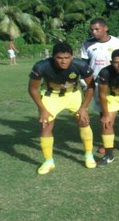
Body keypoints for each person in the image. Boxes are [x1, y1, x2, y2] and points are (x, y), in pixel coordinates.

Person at [28, 42, 97, 174]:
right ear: (53, 57)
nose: (63, 61)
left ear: (72, 56)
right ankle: (48, 161)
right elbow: (32, 89)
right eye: (59, 58)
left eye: (67, 58)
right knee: (45, 125)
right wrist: (42, 109)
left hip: (73, 95)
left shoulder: (80, 65)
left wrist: (84, 107)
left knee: (83, 120)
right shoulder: (41, 66)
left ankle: (89, 155)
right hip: (50, 96)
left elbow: (91, 86)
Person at [81, 18, 119, 152]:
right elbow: (84, 65)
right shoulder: (87, 44)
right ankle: (108, 143)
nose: (94, 32)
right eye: (92, 29)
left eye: (97, 29)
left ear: (105, 28)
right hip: (98, 83)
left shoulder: (118, 43)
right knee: (103, 113)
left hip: (118, 82)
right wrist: (84, 82)